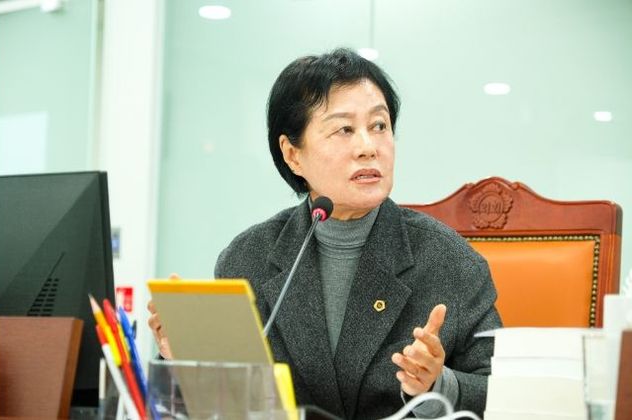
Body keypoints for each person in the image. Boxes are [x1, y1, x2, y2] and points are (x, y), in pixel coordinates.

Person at [149, 48, 502, 419]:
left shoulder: (451, 262)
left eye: (379, 126)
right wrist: (183, 362)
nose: (368, 147)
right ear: (292, 154)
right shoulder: (247, 259)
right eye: (344, 130)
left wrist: (439, 385)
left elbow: (509, 396)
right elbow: (218, 406)